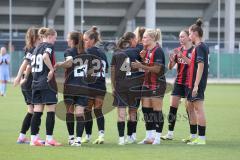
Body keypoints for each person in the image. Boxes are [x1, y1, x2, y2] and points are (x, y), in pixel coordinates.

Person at [132, 28, 166, 145]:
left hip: (157, 84)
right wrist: (142, 59)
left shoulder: (158, 51)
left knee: (157, 112)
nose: (143, 39)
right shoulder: (146, 50)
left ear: (152, 38)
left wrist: (141, 64)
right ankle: (149, 137)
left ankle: (157, 138)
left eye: (145, 37)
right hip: (146, 83)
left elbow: (157, 69)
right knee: (146, 110)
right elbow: (148, 67)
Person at [161, 29, 196, 141]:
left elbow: (193, 64)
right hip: (179, 82)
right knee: (173, 107)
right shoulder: (178, 50)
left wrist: (182, 56)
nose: (180, 39)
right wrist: (171, 61)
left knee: (189, 108)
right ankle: (170, 134)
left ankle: (193, 135)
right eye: (179, 37)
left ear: (189, 37)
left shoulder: (194, 50)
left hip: (189, 83)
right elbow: (170, 67)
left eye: (183, 36)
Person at [54, 31, 87, 147]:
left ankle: (71, 137)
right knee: (80, 113)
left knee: (69, 112)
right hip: (83, 87)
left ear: (72, 41)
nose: (67, 41)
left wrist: (59, 64)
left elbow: (69, 63)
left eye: (68, 39)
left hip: (71, 86)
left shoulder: (69, 51)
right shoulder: (85, 53)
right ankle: (78, 139)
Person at [29, 27, 61, 146]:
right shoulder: (49, 46)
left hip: (36, 83)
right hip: (47, 83)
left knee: (37, 111)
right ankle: (49, 139)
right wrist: (52, 70)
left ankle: (33, 139)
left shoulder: (36, 48)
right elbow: (45, 57)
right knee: (51, 110)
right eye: (55, 38)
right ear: (49, 36)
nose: (55, 40)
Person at [111, 32, 144, 145]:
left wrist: (113, 86)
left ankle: (121, 139)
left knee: (121, 111)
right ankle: (131, 136)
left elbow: (113, 71)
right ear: (132, 39)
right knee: (133, 112)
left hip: (121, 85)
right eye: (136, 39)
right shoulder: (137, 51)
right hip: (134, 85)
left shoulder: (117, 52)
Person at [14, 27, 42, 144]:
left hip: (27, 84)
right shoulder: (33, 50)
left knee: (31, 111)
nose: (42, 38)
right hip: (29, 84)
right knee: (37, 110)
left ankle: (22, 137)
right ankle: (34, 137)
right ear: (35, 37)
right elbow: (25, 65)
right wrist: (20, 77)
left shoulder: (31, 49)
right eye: (40, 36)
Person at [82, 26, 109, 144]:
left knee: (87, 111)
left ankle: (87, 136)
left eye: (86, 40)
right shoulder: (102, 53)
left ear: (93, 40)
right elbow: (106, 68)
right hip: (101, 86)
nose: (84, 42)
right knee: (98, 111)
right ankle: (101, 135)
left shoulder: (87, 52)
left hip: (89, 86)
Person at [184, 19, 209, 145]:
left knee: (199, 109)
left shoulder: (200, 47)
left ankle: (202, 138)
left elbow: (201, 66)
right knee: (190, 107)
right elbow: (193, 64)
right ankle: (194, 135)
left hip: (196, 83)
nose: (189, 36)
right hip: (191, 82)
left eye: (189, 33)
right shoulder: (198, 47)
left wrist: (196, 85)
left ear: (194, 33)